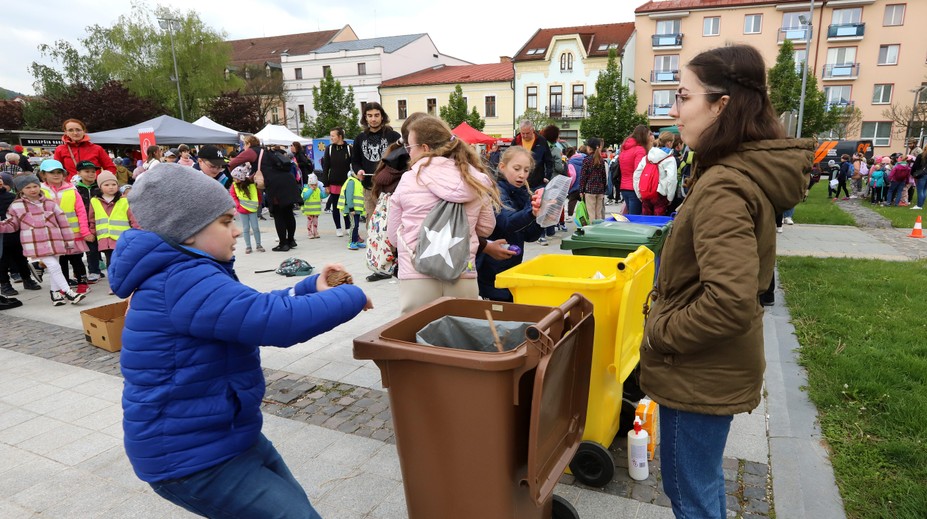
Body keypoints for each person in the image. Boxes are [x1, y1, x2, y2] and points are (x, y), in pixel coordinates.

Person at [109, 163, 371, 519]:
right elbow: (276, 323)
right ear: (187, 232)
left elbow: (249, 309)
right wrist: (350, 298)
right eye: (225, 222)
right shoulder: (182, 279)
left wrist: (308, 287)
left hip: (225, 436)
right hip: (191, 458)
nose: (236, 231)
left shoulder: (189, 270)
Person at [641, 44, 810, 519]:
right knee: (702, 483)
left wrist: (660, 332)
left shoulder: (724, 185)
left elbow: (729, 301)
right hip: (712, 367)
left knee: (689, 493)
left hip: (698, 370)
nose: (674, 112)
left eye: (683, 96)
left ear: (722, 104)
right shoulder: (730, 173)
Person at [387, 115, 498, 314]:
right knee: (463, 338)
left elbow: (393, 238)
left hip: (416, 275)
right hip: (462, 273)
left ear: (425, 148)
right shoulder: (476, 180)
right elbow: (486, 228)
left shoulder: (408, 180)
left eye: (410, 148)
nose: (409, 154)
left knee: (416, 339)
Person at [0, 173, 87, 305]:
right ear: (21, 189)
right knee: (53, 265)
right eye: (28, 187)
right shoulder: (16, 206)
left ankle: (55, 294)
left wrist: (69, 241)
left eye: (35, 186)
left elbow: (63, 222)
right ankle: (69, 292)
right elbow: (12, 225)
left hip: (55, 240)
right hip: (35, 244)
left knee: (54, 267)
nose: (33, 190)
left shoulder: (50, 203)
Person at [477, 146, 542, 302]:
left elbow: (530, 235)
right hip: (490, 271)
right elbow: (507, 222)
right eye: (517, 168)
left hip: (510, 269)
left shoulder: (524, 193)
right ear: (502, 167)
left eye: (526, 170)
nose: (522, 175)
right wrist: (531, 213)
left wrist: (542, 218)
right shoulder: (495, 191)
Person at [230, 136, 302, 251]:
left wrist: (237, 176)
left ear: (248, 143)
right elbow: (261, 169)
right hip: (288, 181)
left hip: (275, 185)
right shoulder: (267, 151)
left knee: (278, 213)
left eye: (244, 144)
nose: (243, 147)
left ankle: (283, 244)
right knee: (288, 212)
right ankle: (291, 241)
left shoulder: (251, 152)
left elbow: (233, 163)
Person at [40, 160, 93, 295]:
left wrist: (84, 230)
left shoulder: (71, 189)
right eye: (52, 173)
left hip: (73, 233)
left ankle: (82, 282)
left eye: (59, 172)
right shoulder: (41, 191)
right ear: (43, 175)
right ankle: (64, 285)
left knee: (76, 259)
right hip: (53, 235)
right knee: (61, 261)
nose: (56, 175)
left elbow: (81, 211)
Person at [352, 102, 401, 218]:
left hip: (389, 187)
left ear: (382, 116)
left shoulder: (394, 136)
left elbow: (402, 160)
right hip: (368, 186)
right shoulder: (359, 138)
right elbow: (355, 161)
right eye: (370, 115)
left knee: (389, 221)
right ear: (365, 117)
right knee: (372, 222)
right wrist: (358, 170)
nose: (373, 119)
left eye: (376, 115)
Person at [87, 171, 137, 283]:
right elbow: (92, 219)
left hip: (122, 238)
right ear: (100, 187)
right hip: (105, 238)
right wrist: (91, 232)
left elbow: (132, 218)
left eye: (114, 184)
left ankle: (126, 282)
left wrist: (137, 232)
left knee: (124, 261)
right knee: (111, 262)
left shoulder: (124, 201)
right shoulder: (94, 201)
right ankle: (113, 283)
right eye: (107, 185)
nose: (111, 187)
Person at [0, 176, 42, 298]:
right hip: (1, 236)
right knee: (2, 261)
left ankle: (27, 279)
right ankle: (4, 284)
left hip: (15, 232)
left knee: (21, 258)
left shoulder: (11, 197)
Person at [73, 160, 105, 283]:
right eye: (87, 171)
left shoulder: (100, 187)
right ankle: (86, 272)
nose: (91, 174)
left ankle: (95, 270)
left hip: (99, 222)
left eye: (93, 171)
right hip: (80, 223)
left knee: (96, 248)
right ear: (79, 173)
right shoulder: (75, 189)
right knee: (84, 250)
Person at [633, 131, 678, 216]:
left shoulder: (647, 157)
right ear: (669, 143)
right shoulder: (669, 158)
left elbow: (636, 175)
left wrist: (639, 194)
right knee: (658, 223)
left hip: (645, 193)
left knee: (646, 222)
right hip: (660, 194)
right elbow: (672, 179)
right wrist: (670, 197)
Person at [322, 127, 353, 237]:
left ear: (340, 136)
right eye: (331, 136)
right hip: (334, 182)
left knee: (347, 205)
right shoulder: (329, 149)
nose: (331, 138)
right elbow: (325, 167)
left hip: (346, 183)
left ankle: (348, 226)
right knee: (335, 206)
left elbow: (353, 165)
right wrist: (326, 184)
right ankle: (338, 228)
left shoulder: (349, 148)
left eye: (333, 136)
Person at [229, 163, 264, 253]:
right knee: (245, 228)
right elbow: (233, 196)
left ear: (241, 178)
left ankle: (258, 245)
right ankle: (248, 246)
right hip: (242, 209)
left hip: (252, 209)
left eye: (235, 178)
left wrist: (259, 203)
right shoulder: (234, 186)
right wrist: (238, 205)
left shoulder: (251, 185)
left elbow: (257, 194)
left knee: (255, 227)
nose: (234, 179)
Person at [619, 125, 651, 215]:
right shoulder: (639, 150)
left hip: (624, 187)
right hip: (634, 188)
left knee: (630, 217)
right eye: (649, 135)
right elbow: (639, 171)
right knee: (635, 220)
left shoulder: (625, 149)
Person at [579, 138, 607, 221]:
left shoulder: (586, 160)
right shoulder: (601, 160)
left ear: (589, 148)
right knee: (598, 213)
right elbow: (604, 176)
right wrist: (604, 189)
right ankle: (599, 230)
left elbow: (583, 176)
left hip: (590, 190)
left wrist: (581, 190)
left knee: (591, 214)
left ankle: (592, 231)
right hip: (600, 190)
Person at [338, 170, 366, 251]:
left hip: (357, 209)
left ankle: (355, 241)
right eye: (361, 174)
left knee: (356, 225)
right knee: (353, 225)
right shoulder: (351, 181)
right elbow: (349, 195)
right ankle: (351, 242)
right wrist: (351, 208)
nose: (362, 175)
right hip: (352, 209)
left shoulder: (358, 182)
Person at [300, 173, 325, 240]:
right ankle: (309, 232)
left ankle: (315, 232)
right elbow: (305, 197)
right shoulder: (306, 189)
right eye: (312, 185)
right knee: (309, 221)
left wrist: (327, 193)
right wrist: (310, 190)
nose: (314, 186)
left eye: (315, 185)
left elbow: (322, 195)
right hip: (309, 210)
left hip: (316, 210)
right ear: (309, 184)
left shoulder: (318, 190)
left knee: (315, 222)